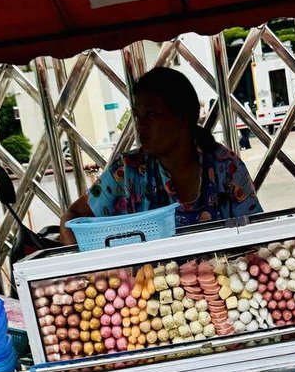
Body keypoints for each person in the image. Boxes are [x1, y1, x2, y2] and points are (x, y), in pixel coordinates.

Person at [59, 67, 262, 245]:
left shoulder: (226, 167)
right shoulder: (128, 170)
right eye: (138, 115)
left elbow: (257, 232)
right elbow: (72, 217)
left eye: (152, 114)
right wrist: (85, 273)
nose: (141, 125)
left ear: (184, 118)